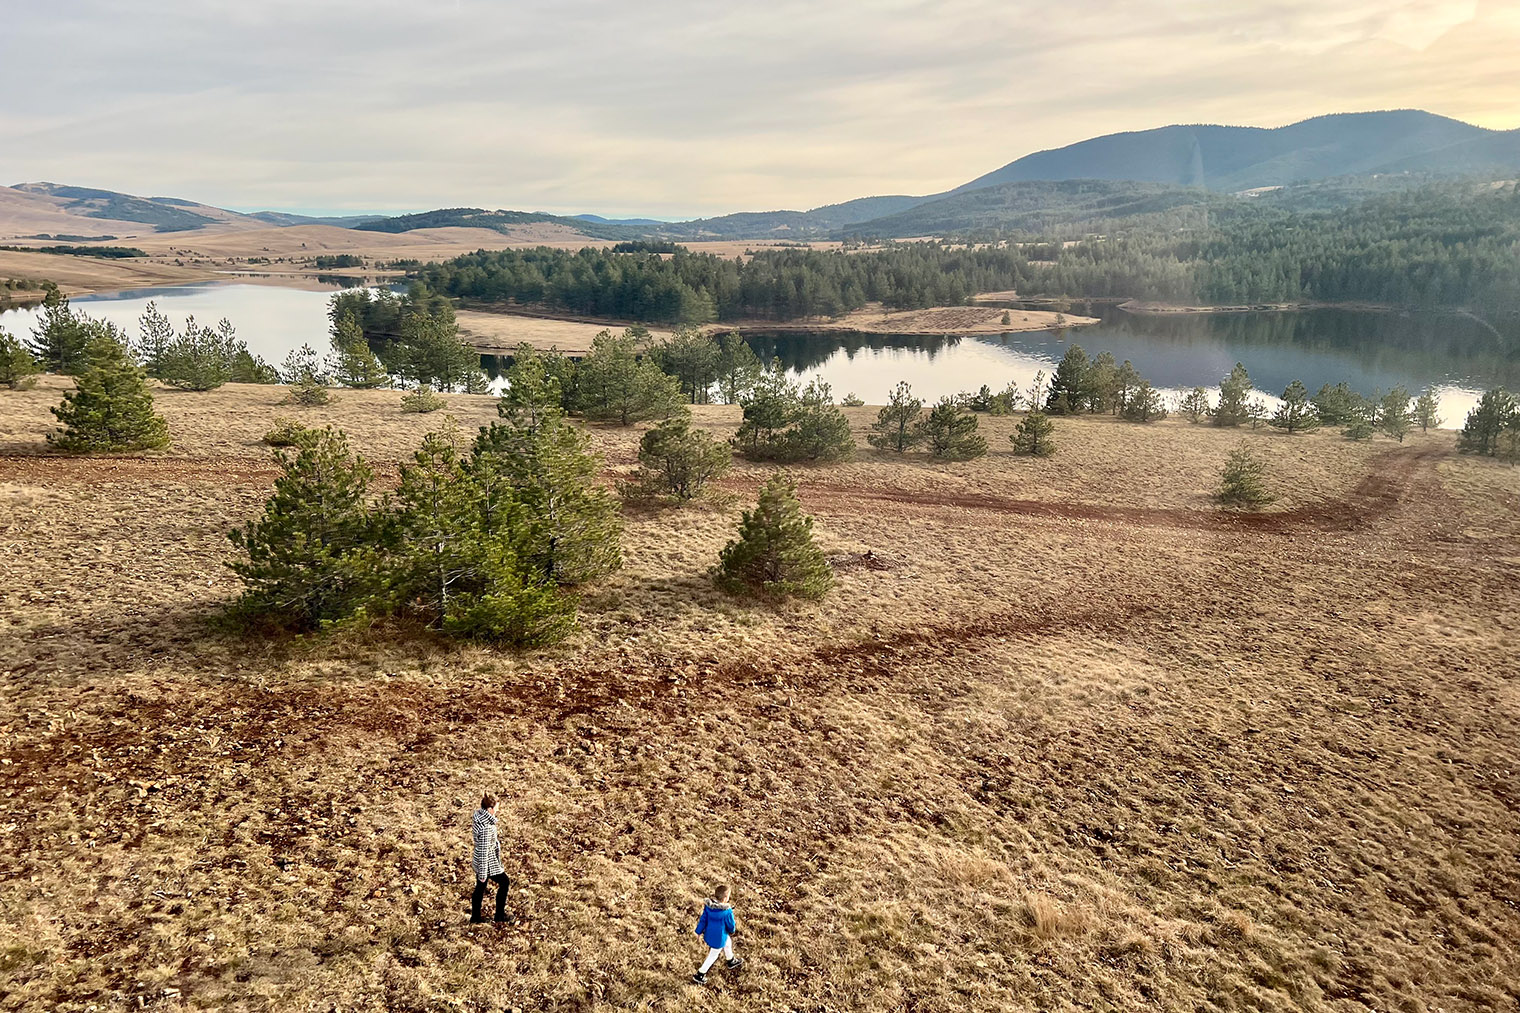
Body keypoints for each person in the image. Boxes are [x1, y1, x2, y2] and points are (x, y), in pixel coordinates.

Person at [691, 883, 742, 985]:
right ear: (725, 898)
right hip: (719, 938)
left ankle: (730, 959)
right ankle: (700, 974)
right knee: (713, 955)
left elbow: (703, 920)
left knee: (728, 942)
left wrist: (698, 931)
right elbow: (731, 924)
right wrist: (732, 930)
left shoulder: (709, 908)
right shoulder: (727, 912)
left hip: (710, 934)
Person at [470, 792, 509, 924]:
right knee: (504, 882)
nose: (498, 810)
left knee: (480, 889)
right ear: (490, 809)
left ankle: (475, 917)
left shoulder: (479, 816)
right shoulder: (487, 827)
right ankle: (499, 915)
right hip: (487, 863)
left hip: (479, 861)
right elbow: (484, 851)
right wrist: (482, 873)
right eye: (496, 807)